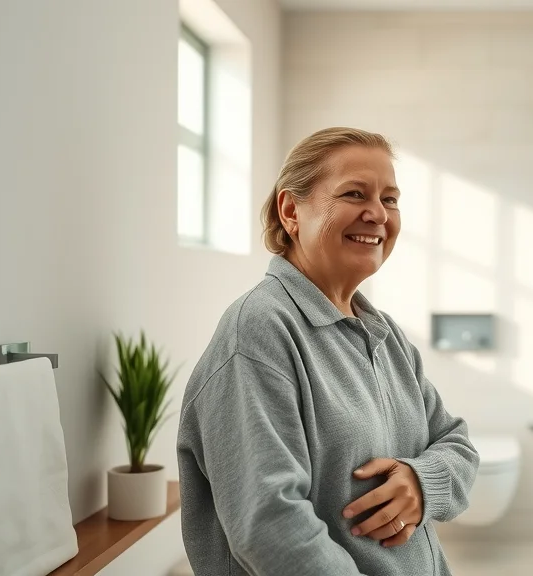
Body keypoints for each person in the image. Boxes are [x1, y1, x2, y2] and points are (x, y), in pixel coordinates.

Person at [177, 127, 480, 575]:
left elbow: (458, 445)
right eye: (355, 193)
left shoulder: (384, 336)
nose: (377, 213)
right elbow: (271, 528)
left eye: (390, 199)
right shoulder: (259, 331)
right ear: (290, 211)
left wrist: (422, 480)